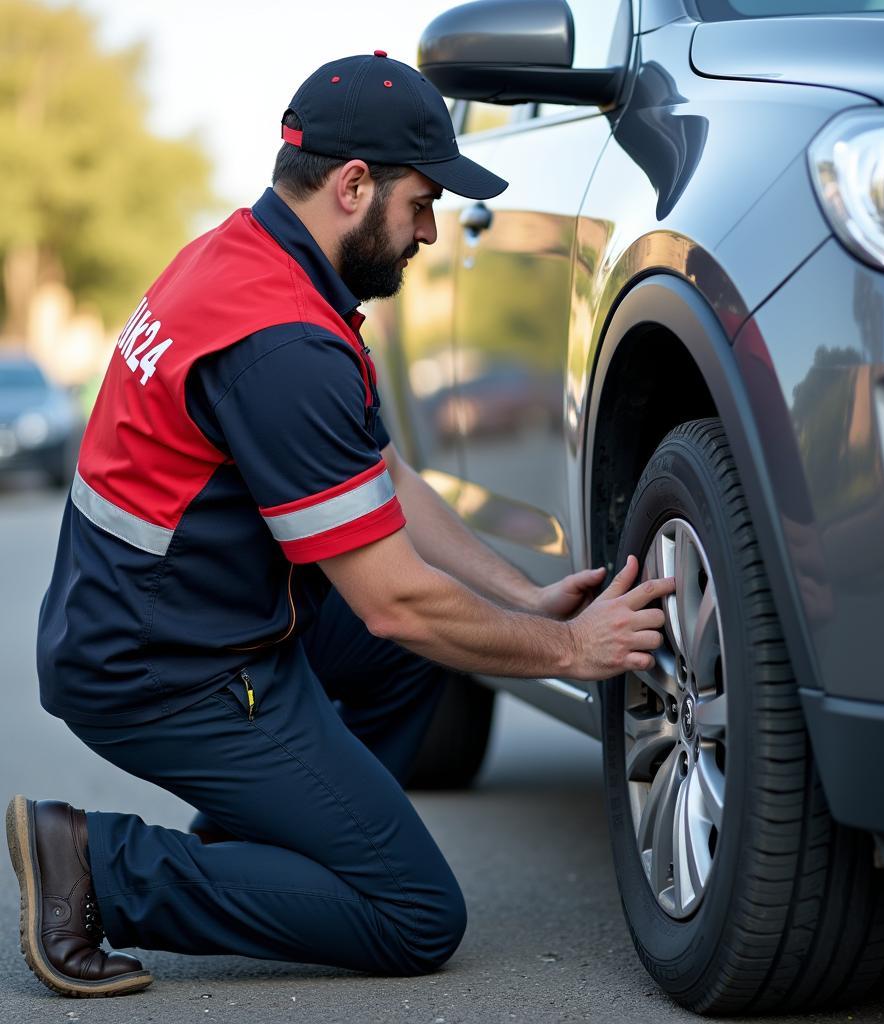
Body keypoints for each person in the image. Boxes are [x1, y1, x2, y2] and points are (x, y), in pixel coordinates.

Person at [6, 52, 673, 997]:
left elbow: (383, 480)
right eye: (421, 202)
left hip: (182, 620)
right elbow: (395, 600)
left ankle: (269, 835)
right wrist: (569, 647)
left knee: (417, 665)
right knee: (412, 913)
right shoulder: (281, 345)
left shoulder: (249, 260)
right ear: (355, 185)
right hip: (165, 667)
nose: (432, 231)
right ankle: (98, 867)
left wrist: (518, 592)